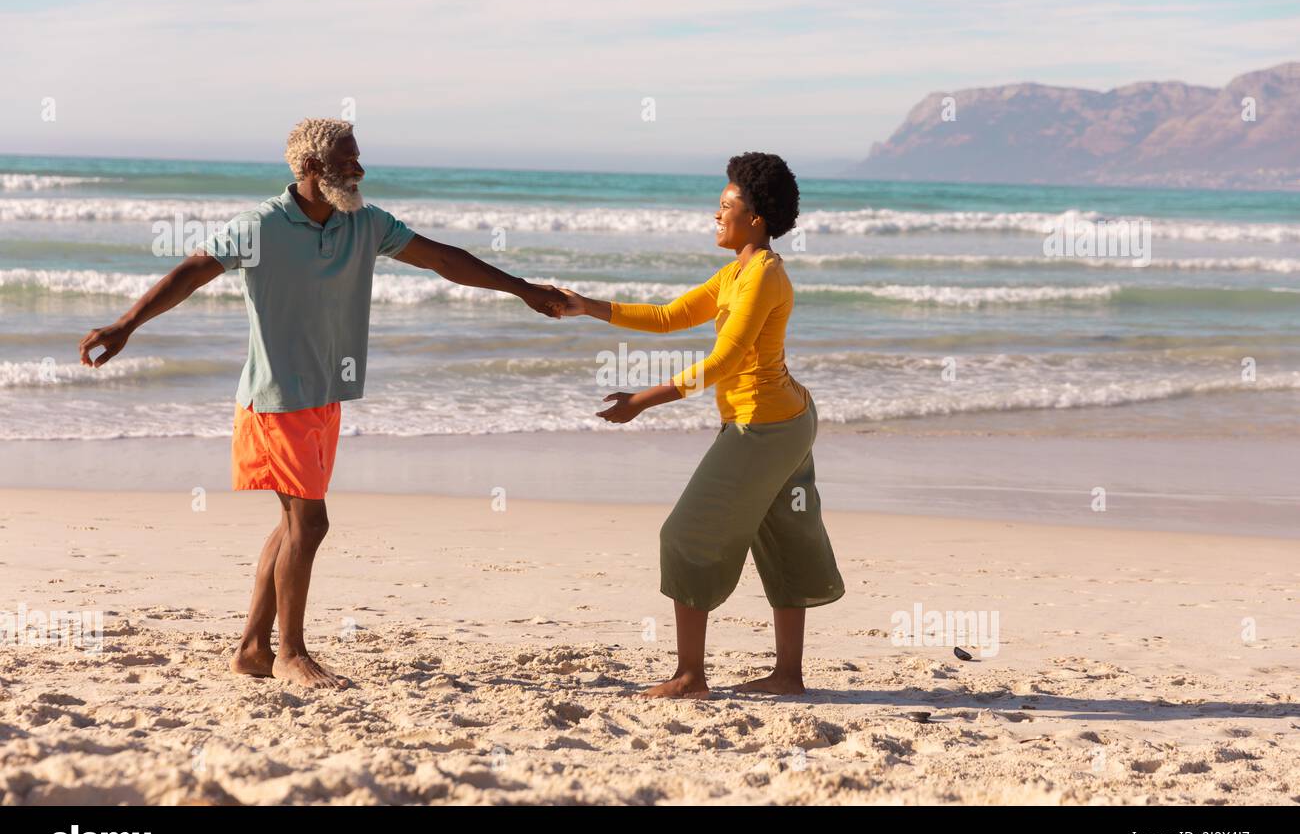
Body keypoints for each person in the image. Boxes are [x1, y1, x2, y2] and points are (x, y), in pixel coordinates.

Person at [77, 118, 566, 689]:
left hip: (326, 395)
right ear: (311, 169)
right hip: (276, 397)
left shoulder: (366, 222)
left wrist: (522, 288)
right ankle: (289, 653)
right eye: (347, 159)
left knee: (294, 525)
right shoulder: (259, 225)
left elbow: (443, 260)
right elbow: (192, 271)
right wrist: (126, 323)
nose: (359, 169)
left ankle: (254, 649)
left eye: (358, 157)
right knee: (309, 523)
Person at [559, 152, 844, 698]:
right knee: (784, 536)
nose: (716, 216)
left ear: (755, 218)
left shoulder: (762, 275)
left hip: (763, 428)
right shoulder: (737, 271)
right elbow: (669, 316)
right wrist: (585, 306)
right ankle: (788, 676)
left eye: (726, 206)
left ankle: (690, 677)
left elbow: (723, 363)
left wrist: (642, 400)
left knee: (686, 534)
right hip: (784, 421)